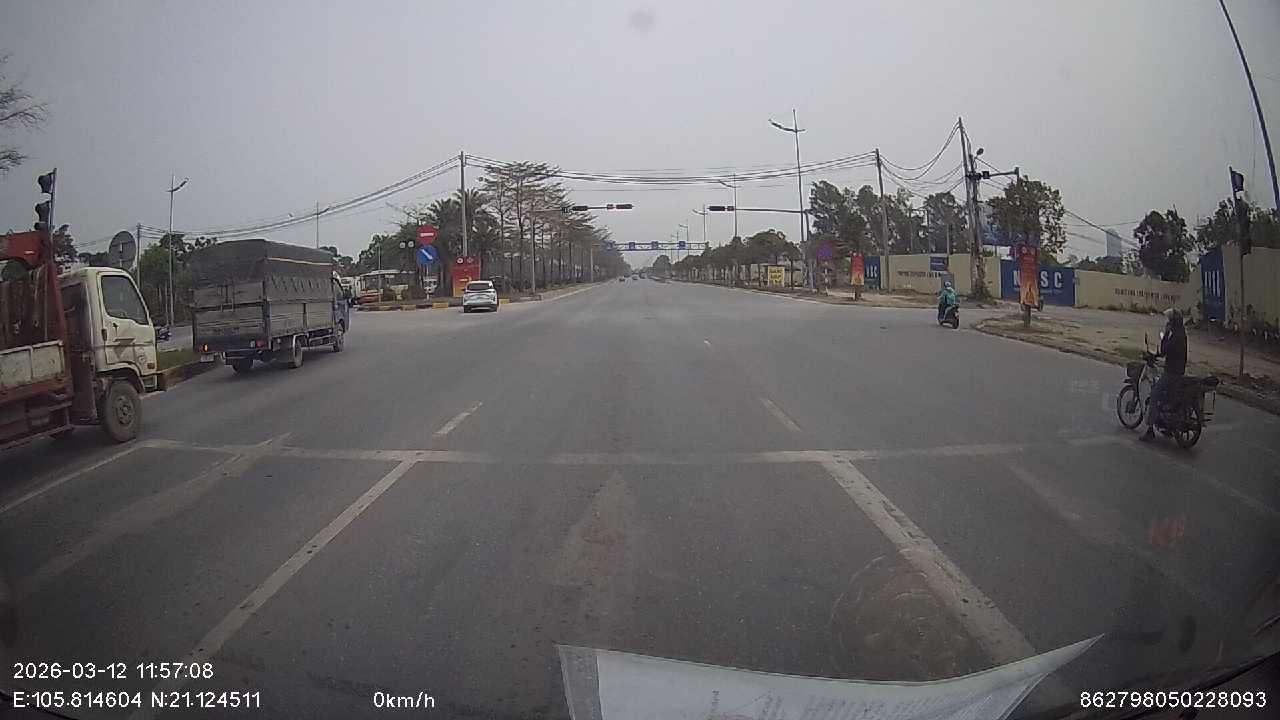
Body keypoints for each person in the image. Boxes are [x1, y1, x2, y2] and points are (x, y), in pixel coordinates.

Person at [1140, 308, 1188, 441]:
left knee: (1154, 395)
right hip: (1179, 371)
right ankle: (1167, 426)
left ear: (1172, 322)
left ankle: (1150, 430)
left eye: (1169, 321)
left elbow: (1164, 350)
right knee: (1167, 397)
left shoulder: (1175, 336)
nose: (1167, 323)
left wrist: (1166, 334)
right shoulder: (1182, 334)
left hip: (1172, 372)